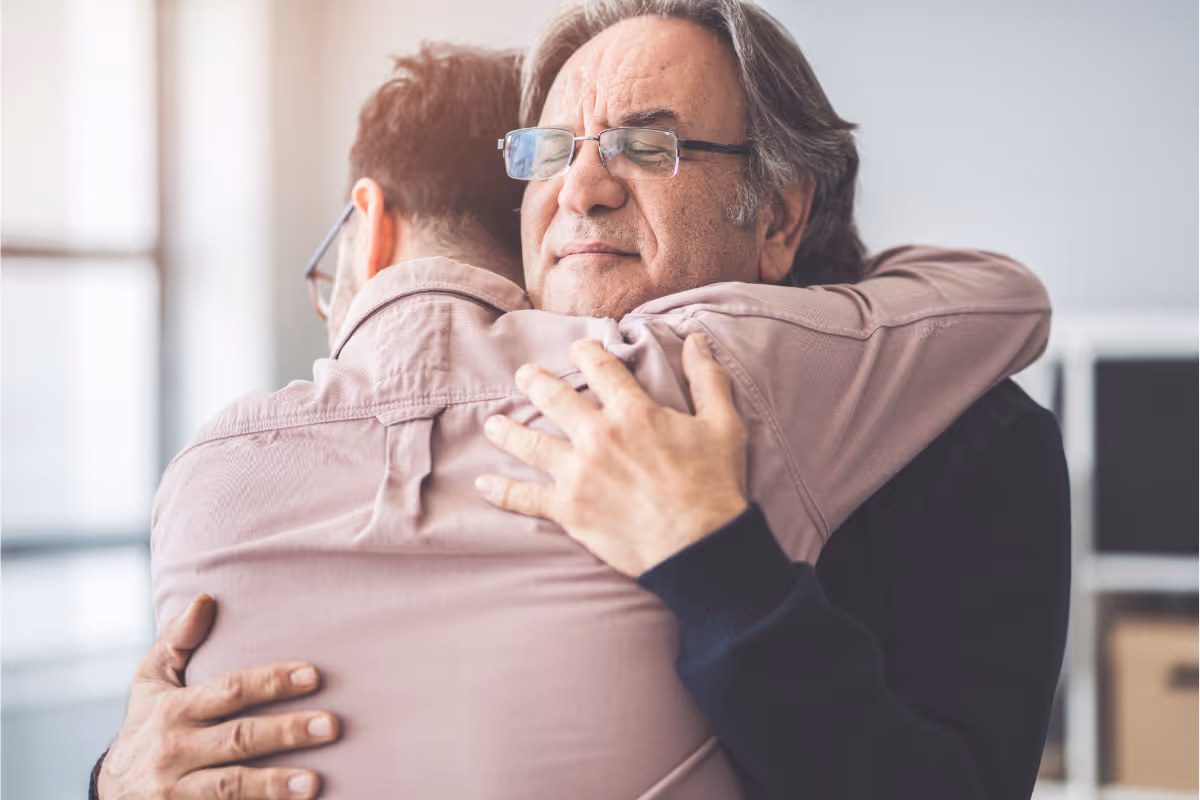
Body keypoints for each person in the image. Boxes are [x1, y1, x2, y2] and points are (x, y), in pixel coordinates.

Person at [96, 4, 1068, 798]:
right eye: (552, 150)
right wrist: (119, 775)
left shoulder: (970, 439)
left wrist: (715, 562)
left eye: (648, 145)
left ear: (777, 217)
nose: (583, 187)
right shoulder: (460, 427)